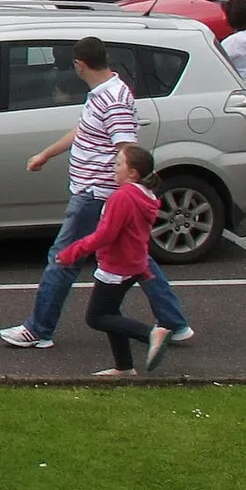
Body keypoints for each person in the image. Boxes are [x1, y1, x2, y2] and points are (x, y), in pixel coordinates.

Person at [0, 36, 192, 350]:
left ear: (80, 64)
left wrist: (126, 192)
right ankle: (175, 324)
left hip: (95, 193)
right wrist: (47, 154)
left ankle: (39, 329)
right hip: (96, 191)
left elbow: (127, 149)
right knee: (139, 259)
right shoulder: (105, 93)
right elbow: (84, 131)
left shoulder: (112, 99)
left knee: (63, 259)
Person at [57, 143, 172, 377]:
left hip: (116, 267)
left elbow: (105, 234)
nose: (114, 168)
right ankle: (124, 366)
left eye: (119, 164)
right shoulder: (145, 195)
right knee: (111, 313)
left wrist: (72, 251)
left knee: (96, 317)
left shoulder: (122, 198)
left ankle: (150, 333)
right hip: (132, 265)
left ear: (133, 173)